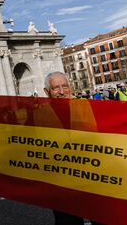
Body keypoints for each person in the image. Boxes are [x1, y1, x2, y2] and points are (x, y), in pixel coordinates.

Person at [43, 72, 104, 225]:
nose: (62, 91)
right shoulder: (38, 116)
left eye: (65, 86)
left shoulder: (89, 108)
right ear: (47, 92)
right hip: (62, 188)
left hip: (93, 182)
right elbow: (18, 150)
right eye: (56, 88)